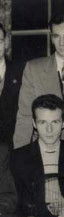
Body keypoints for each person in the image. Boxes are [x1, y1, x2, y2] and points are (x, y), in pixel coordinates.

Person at [11, 94, 64, 217]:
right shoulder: (19, 158)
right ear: (34, 123)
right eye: (42, 123)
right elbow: (11, 201)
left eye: (55, 122)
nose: (49, 130)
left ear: (63, 122)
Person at [14, 14, 64, 148]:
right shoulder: (34, 69)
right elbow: (24, 117)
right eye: (56, 36)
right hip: (46, 151)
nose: (62, 43)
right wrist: (19, 155)